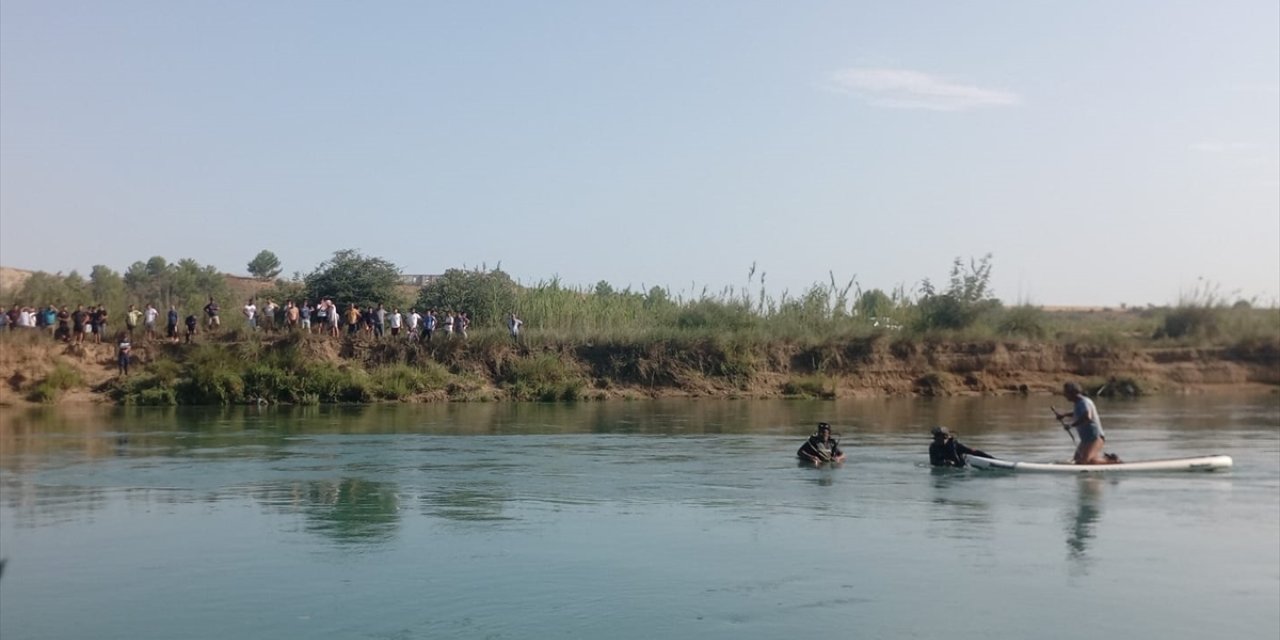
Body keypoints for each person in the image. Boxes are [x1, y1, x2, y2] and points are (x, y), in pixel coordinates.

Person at [1055, 382, 1120, 465]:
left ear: (1073, 393)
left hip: (1095, 438)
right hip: (1086, 440)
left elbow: (1087, 417)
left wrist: (1071, 425)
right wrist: (1064, 415)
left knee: (1086, 461)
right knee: (1077, 461)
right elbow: (1078, 413)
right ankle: (1104, 459)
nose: (1065, 395)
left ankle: (1114, 461)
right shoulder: (1078, 403)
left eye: (1066, 393)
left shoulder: (1084, 402)